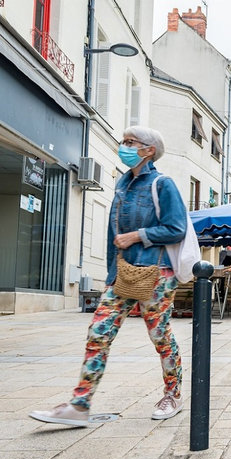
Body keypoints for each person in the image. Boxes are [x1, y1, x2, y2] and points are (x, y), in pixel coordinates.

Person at [29, 126, 188, 427]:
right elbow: (111, 236)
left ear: (149, 150)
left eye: (131, 142)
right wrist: (111, 274)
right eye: (123, 141)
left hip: (156, 272)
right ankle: (79, 405)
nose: (124, 146)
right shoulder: (122, 185)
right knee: (98, 333)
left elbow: (176, 228)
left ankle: (173, 393)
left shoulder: (162, 184)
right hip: (122, 274)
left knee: (160, 336)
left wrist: (137, 236)